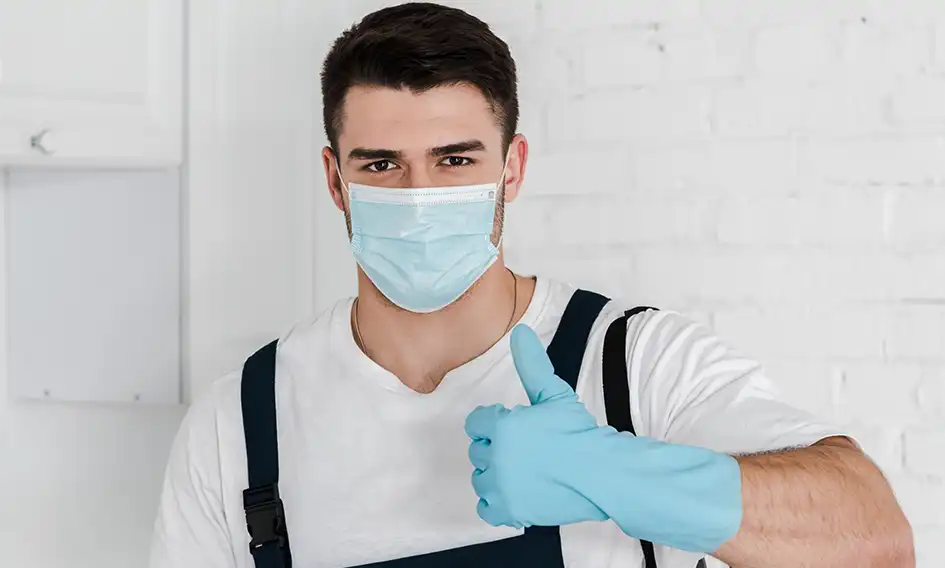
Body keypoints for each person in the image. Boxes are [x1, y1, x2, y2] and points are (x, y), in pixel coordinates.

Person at [147, 3, 913, 567]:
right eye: (381, 164)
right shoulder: (240, 426)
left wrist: (616, 473)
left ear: (509, 169)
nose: (417, 196)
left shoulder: (632, 364)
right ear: (334, 179)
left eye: (454, 161)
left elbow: (874, 541)